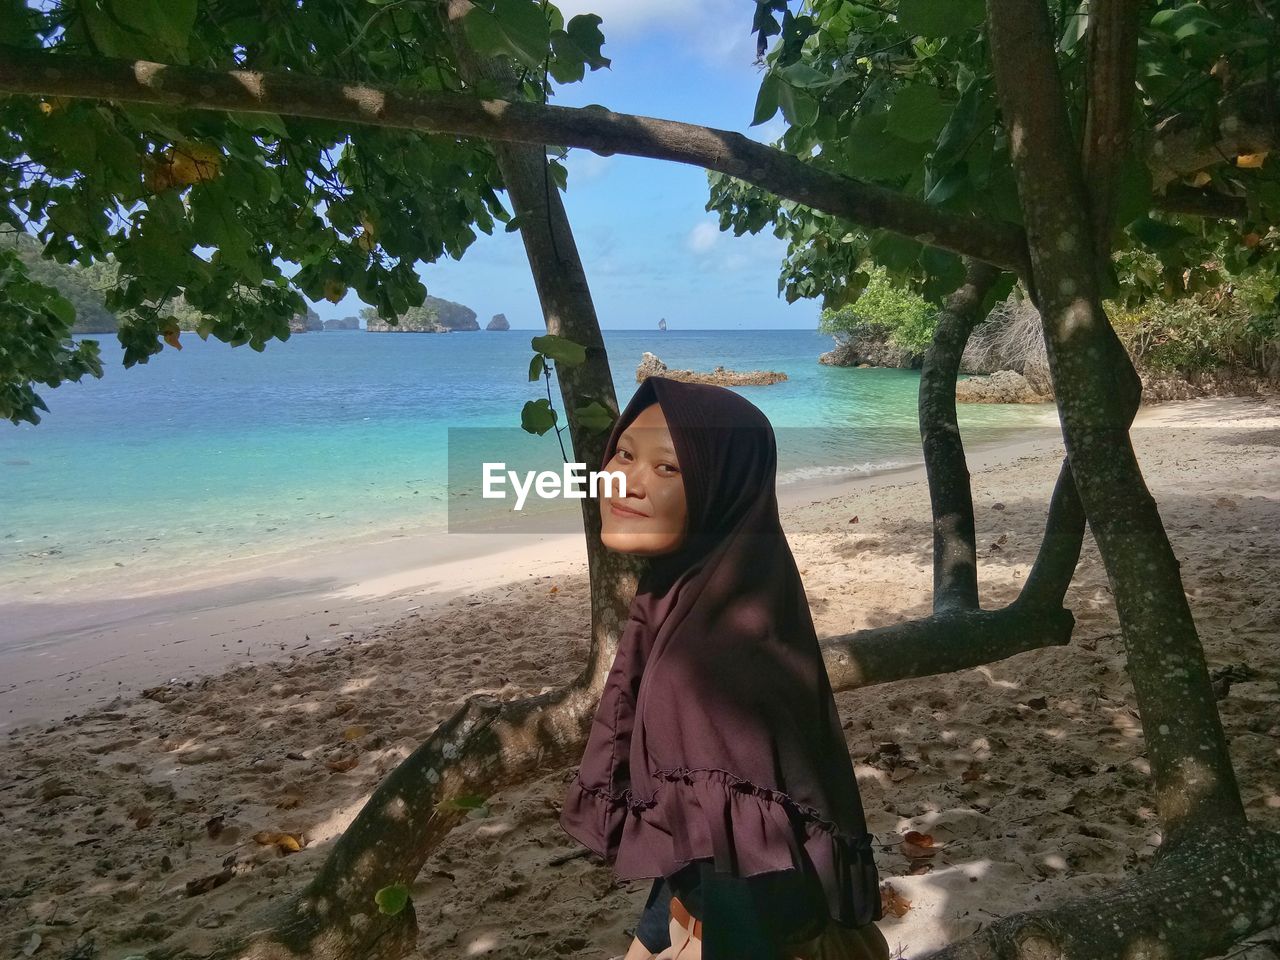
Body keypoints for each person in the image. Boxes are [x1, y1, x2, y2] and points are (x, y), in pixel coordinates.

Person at [558, 376, 890, 960]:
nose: (624, 482)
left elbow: (742, 870)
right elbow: (706, 834)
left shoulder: (705, 668)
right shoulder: (727, 591)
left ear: (721, 489)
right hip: (731, 911)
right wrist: (652, 937)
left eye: (669, 469)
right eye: (625, 453)